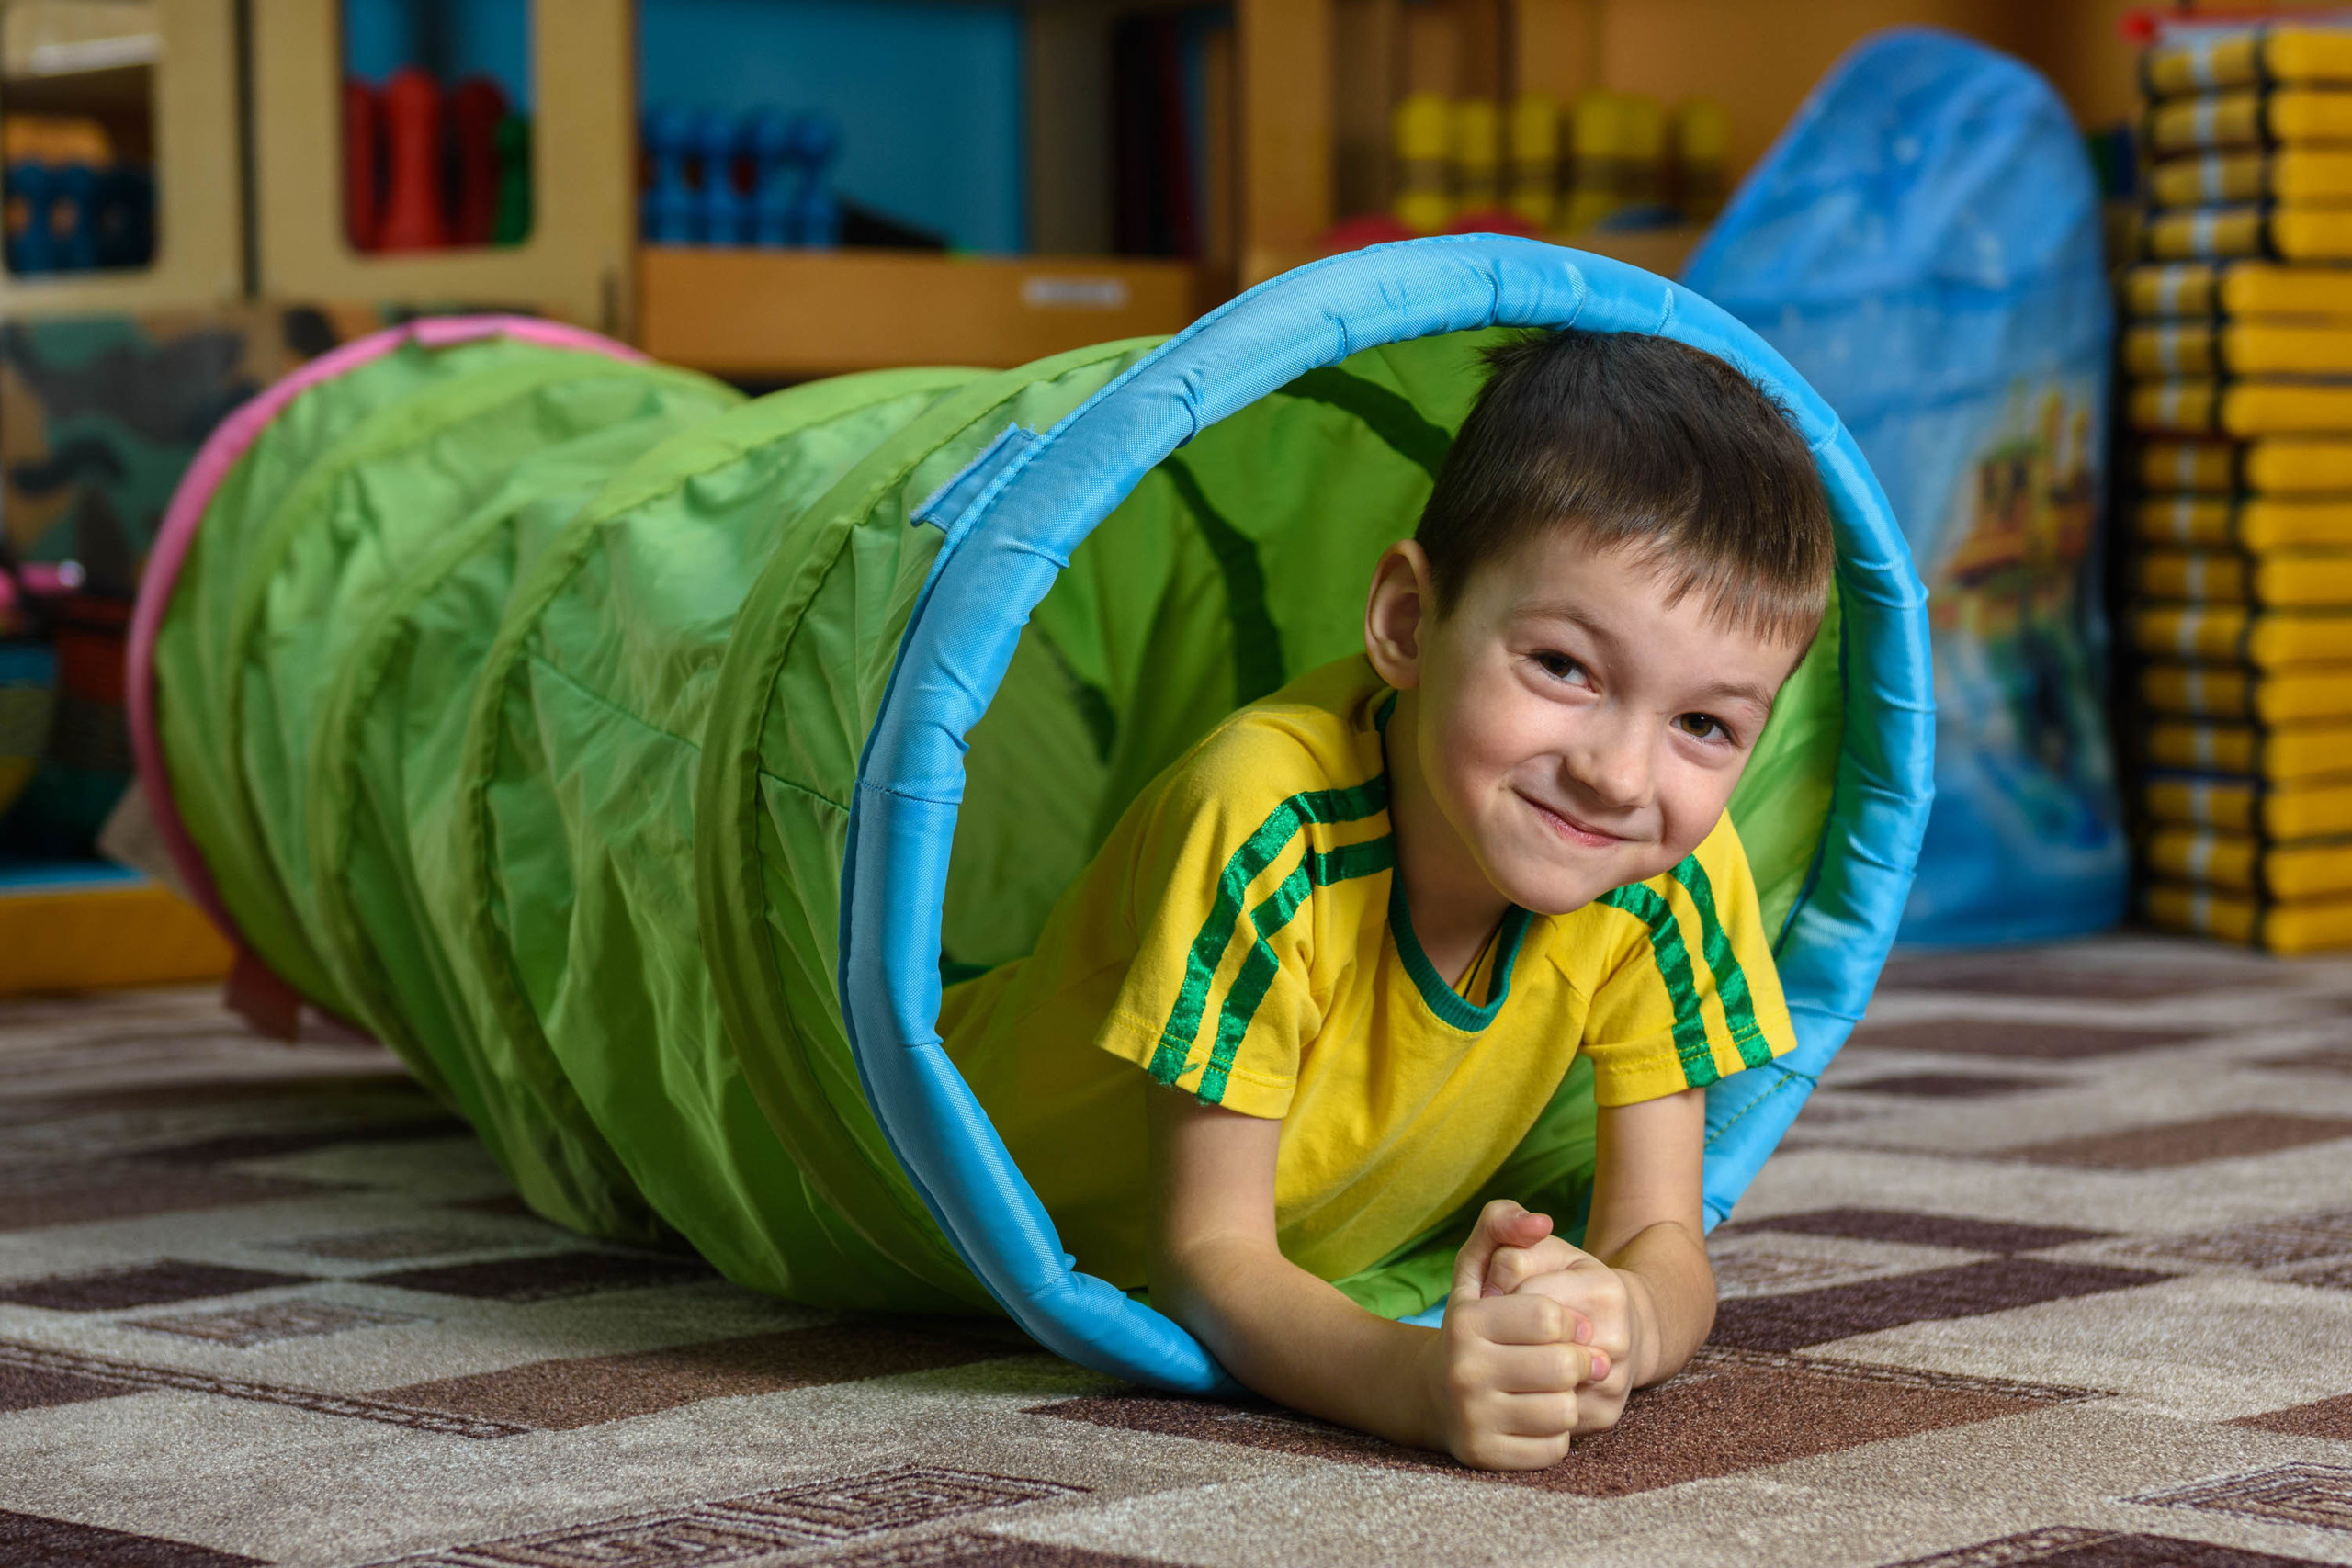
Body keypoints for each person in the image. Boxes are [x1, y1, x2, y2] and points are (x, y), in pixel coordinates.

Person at [940, 327, 1834, 1471]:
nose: (1617, 774)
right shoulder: (1268, 824)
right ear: (1408, 623)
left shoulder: (1669, 878)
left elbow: (1659, 1232)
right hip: (914, 1178)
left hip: (1281, 1238)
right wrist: (1416, 1383)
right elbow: (1205, 1256)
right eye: (1564, 666)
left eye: (1704, 725)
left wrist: (1623, 1318)